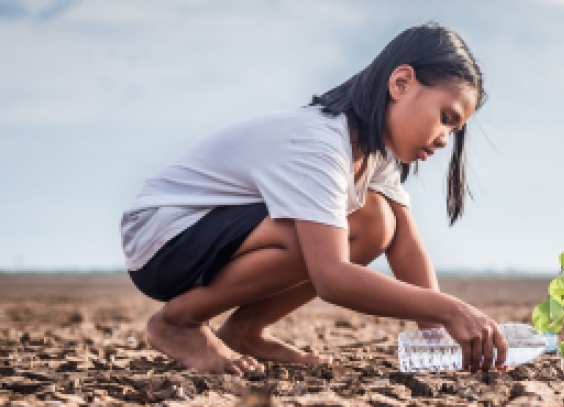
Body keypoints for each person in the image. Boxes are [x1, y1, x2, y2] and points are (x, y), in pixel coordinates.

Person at [119, 22, 507, 375]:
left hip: (210, 234)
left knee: (376, 221)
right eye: (446, 117)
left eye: (454, 130)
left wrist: (438, 342)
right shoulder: (321, 144)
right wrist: (451, 309)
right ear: (401, 83)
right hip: (163, 238)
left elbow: (406, 247)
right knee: (314, 234)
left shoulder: (373, 153)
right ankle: (178, 322)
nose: (444, 139)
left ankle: (244, 330)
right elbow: (332, 278)